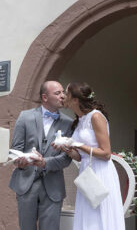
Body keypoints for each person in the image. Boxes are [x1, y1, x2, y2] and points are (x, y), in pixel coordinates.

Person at [59, 82, 125, 230]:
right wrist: (67, 148)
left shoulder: (96, 117)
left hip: (101, 173)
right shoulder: (80, 120)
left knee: (100, 218)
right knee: (88, 219)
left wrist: (77, 144)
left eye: (66, 93)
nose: (63, 96)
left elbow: (106, 153)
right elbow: (81, 156)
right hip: (86, 173)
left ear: (75, 99)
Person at [9, 80, 73, 230]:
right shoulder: (25, 117)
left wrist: (45, 163)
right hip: (26, 184)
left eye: (63, 92)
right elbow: (15, 149)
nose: (62, 96)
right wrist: (20, 161)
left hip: (53, 187)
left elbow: (66, 159)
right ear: (45, 97)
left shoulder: (68, 123)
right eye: (57, 93)